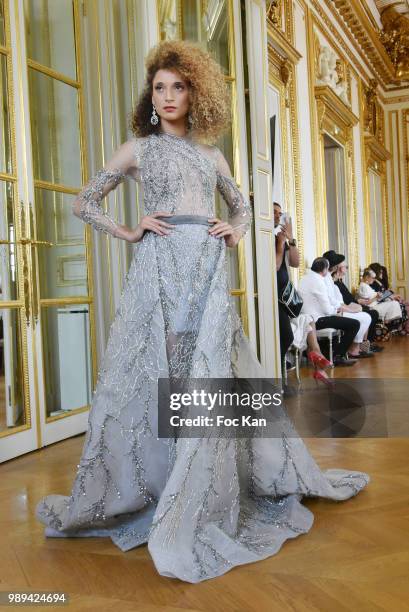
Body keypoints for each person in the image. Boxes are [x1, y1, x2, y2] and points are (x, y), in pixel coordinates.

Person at [35, 40, 369, 584]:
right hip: (160, 267)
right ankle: (167, 484)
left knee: (209, 371)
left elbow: (241, 206)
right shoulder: (138, 149)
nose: (168, 96)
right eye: (160, 88)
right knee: (163, 369)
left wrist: (232, 232)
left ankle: (210, 486)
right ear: (151, 96)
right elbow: (83, 201)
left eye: (179, 87)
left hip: (207, 268)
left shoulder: (212, 155)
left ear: (196, 93)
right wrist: (128, 229)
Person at [298, 258, 360, 366]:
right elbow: (327, 309)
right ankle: (336, 355)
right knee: (354, 324)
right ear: (324, 269)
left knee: (345, 322)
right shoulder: (319, 281)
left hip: (306, 318)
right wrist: (338, 309)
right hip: (317, 319)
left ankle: (329, 353)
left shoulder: (304, 278)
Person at [322, 251, 374, 359]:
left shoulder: (329, 280)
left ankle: (355, 347)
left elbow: (338, 301)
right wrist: (350, 309)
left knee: (366, 316)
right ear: (335, 267)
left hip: (336, 310)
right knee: (362, 318)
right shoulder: (326, 280)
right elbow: (333, 303)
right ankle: (350, 349)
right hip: (331, 312)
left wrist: (350, 308)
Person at [333, 260, 383, 353]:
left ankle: (365, 343)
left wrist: (356, 302)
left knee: (372, 313)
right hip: (346, 307)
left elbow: (348, 297)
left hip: (351, 305)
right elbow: (343, 300)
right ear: (339, 268)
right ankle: (360, 345)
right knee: (371, 313)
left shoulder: (339, 281)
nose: (347, 269)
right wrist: (356, 303)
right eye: (346, 267)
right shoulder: (335, 282)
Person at [274, 202, 299, 366]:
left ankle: (280, 368)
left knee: (286, 337)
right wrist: (281, 245)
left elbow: (295, 262)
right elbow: (274, 266)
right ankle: (278, 370)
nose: (278, 215)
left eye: (280, 213)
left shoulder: (280, 239)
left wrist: (291, 239)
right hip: (272, 296)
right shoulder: (268, 239)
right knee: (286, 336)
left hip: (284, 296)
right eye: (274, 212)